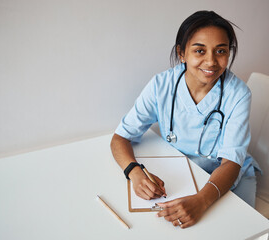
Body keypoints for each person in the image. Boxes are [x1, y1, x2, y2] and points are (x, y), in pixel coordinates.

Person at [110, 10, 260, 229]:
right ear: (182, 53)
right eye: (200, 50)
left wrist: (202, 200)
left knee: (243, 229)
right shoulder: (162, 85)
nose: (211, 61)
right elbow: (120, 138)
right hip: (183, 172)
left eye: (221, 51)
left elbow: (231, 163)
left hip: (226, 176)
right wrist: (134, 172)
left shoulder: (238, 94)